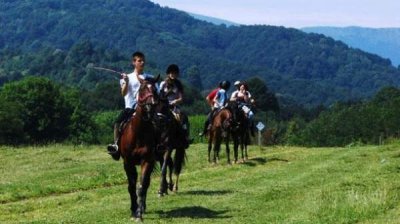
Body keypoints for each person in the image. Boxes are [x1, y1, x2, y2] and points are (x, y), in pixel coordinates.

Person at [107, 51, 152, 160]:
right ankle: (116, 145)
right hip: (130, 109)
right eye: (139, 60)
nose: (142, 62)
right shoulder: (127, 77)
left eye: (143, 60)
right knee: (117, 123)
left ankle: (160, 145)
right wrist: (126, 82)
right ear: (134, 62)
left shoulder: (150, 77)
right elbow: (123, 93)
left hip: (146, 109)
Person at [159, 64, 190, 148]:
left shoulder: (178, 85)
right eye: (172, 73)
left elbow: (181, 98)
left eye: (175, 73)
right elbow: (159, 95)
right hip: (163, 106)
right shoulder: (163, 84)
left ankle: (184, 137)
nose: (173, 75)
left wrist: (174, 101)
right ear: (168, 74)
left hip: (174, 107)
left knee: (182, 118)